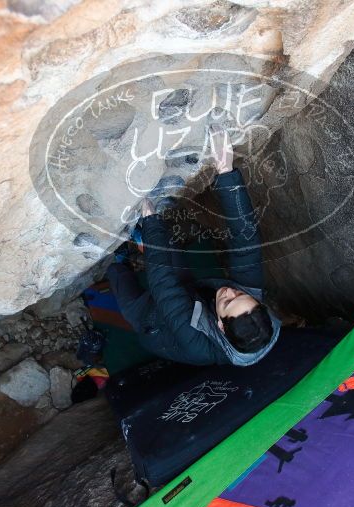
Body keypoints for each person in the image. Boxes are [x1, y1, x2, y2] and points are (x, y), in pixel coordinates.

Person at [105, 125, 281, 366]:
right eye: (240, 294)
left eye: (228, 301)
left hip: (156, 326)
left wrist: (151, 221)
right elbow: (245, 240)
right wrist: (226, 172)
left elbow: (164, 289)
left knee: (125, 287)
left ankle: (120, 260)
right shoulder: (249, 300)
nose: (230, 291)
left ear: (220, 326)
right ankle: (144, 240)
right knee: (168, 253)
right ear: (258, 303)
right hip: (194, 294)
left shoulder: (196, 343)